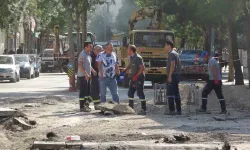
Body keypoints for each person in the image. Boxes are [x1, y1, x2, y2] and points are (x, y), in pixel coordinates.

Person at [123, 45, 146, 115]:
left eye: (128, 50)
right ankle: (131, 108)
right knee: (130, 92)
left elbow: (142, 68)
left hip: (139, 78)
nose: (127, 51)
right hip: (134, 78)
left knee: (140, 93)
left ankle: (143, 109)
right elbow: (130, 64)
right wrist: (126, 69)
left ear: (131, 50)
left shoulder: (138, 58)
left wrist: (137, 76)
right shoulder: (132, 57)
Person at [77, 41, 97, 112]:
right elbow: (80, 65)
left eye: (91, 46)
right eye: (90, 47)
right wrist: (86, 74)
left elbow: (89, 65)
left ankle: (86, 106)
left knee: (87, 93)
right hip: (82, 76)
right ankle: (82, 107)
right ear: (86, 47)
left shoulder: (88, 55)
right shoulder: (82, 54)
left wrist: (93, 71)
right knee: (83, 92)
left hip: (87, 76)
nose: (91, 48)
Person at [165, 40, 182, 115]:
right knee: (176, 93)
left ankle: (172, 110)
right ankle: (178, 110)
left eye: (166, 45)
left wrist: (170, 76)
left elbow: (172, 64)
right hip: (177, 75)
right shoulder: (176, 53)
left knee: (170, 93)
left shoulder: (171, 53)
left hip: (173, 75)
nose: (165, 47)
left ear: (169, 45)